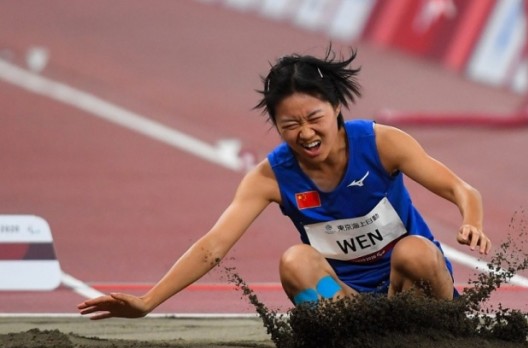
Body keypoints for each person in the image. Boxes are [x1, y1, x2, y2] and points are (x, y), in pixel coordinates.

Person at [77, 46, 491, 319]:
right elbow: (212, 247)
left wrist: (472, 220)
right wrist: (148, 302)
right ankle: (345, 343)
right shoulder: (270, 177)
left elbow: (462, 190)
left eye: (314, 119)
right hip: (346, 303)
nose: (306, 134)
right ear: (276, 125)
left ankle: (446, 336)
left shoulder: (381, 143)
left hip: (413, 294)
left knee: (415, 251)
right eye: (290, 124)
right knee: (294, 260)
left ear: (336, 110)